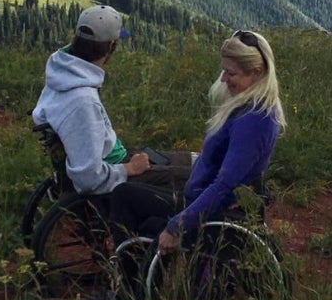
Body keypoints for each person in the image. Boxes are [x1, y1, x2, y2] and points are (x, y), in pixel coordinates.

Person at [109, 30, 285, 254]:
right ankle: (139, 278)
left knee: (125, 196)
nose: (223, 79)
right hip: (199, 196)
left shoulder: (253, 121)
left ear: (256, 73)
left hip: (212, 209)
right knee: (138, 205)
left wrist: (176, 226)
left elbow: (225, 186)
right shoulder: (248, 108)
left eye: (231, 73)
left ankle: (130, 284)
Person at [32, 5, 191, 196]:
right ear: (111, 46)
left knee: (200, 160)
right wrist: (129, 169)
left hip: (116, 158)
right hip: (115, 174)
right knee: (202, 177)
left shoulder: (61, 74)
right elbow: (89, 178)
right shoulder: (82, 101)